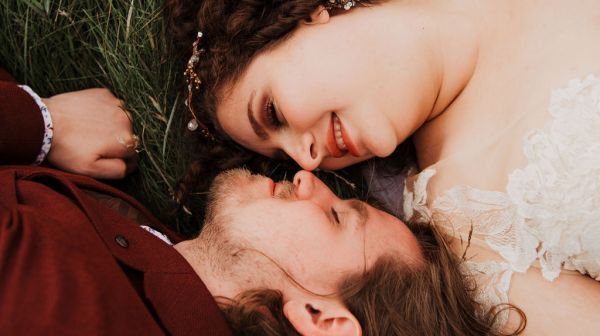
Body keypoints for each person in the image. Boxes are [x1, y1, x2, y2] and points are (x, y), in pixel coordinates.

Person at [165, 0, 600, 334]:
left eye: (273, 112)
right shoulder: (475, 229)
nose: (308, 160)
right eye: (283, 157)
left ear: (310, 16)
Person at [0, 69, 510, 335]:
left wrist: (39, 122)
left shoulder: (56, 301)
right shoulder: (151, 272)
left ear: (321, 318)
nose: (310, 179)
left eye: (337, 217)